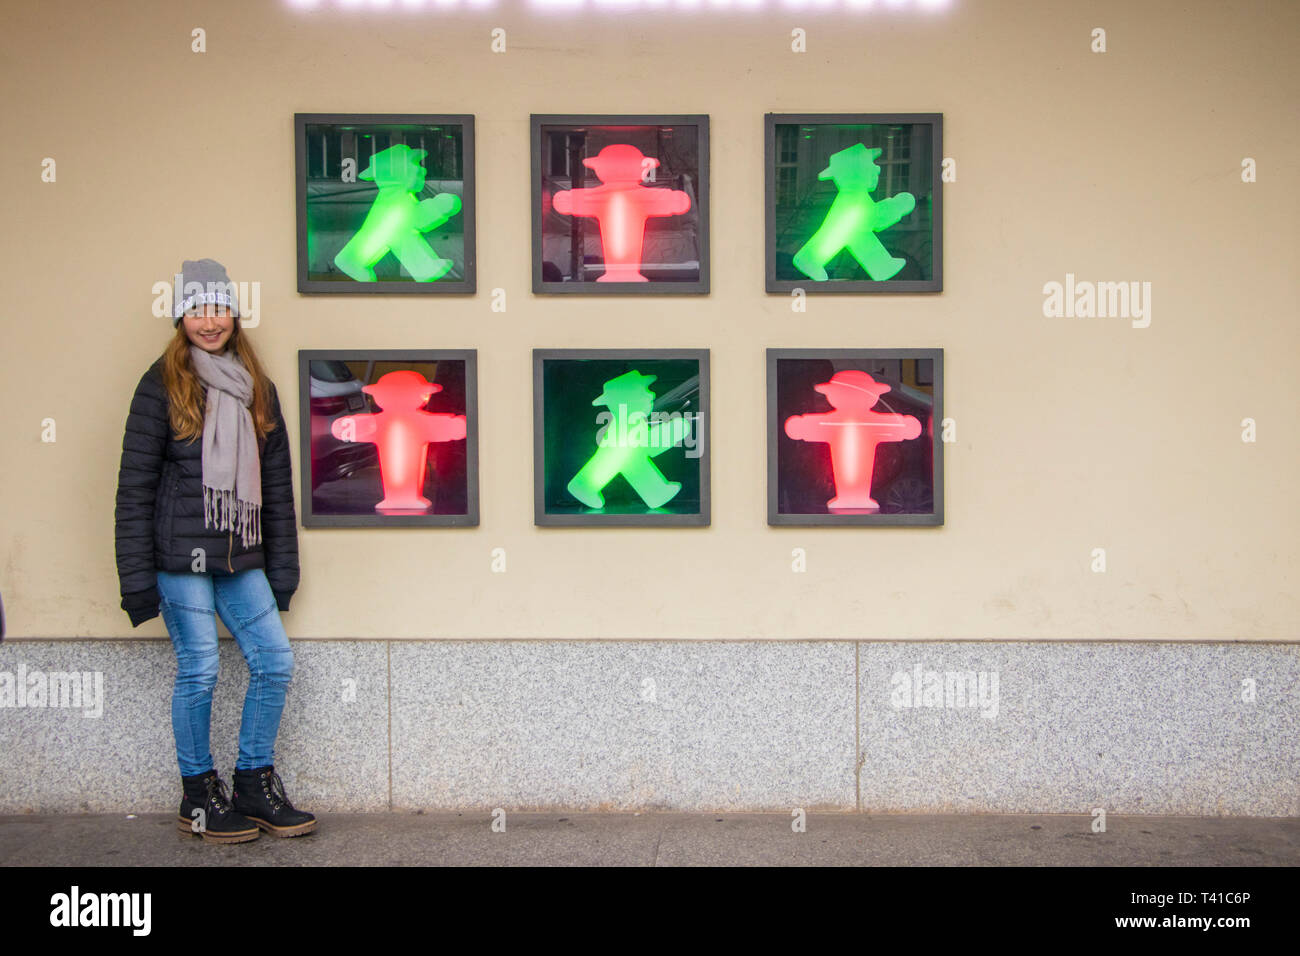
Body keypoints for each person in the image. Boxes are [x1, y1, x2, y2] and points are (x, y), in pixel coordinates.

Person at [114, 258, 316, 843]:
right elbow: (134, 488)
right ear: (181, 316)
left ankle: (253, 782)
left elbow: (276, 491)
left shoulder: (257, 388)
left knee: (274, 661)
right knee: (200, 668)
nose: (210, 321)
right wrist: (137, 580)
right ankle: (199, 796)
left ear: (234, 314)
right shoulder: (161, 384)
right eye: (198, 309)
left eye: (219, 308)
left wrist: (282, 573)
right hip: (178, 559)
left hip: (239, 554)